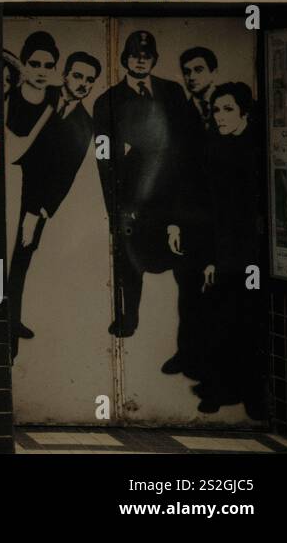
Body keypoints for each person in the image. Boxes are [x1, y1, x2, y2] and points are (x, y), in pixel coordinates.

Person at [93, 30, 202, 351]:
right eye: (134, 54)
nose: (140, 59)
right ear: (124, 59)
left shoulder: (172, 92)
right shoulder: (107, 101)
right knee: (130, 261)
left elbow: (188, 144)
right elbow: (105, 160)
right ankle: (130, 319)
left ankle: (192, 335)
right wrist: (114, 208)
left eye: (147, 54)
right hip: (133, 197)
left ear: (154, 59)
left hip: (174, 193)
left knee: (187, 261)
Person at [5, 50, 101, 357]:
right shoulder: (40, 94)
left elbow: (66, 174)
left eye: (89, 79)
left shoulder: (85, 124)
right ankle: (1, 323)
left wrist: (41, 212)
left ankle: (10, 329)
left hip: (36, 201)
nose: (83, 83)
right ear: (65, 74)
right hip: (9, 183)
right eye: (77, 75)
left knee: (21, 258)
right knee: (0, 255)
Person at [192, 82, 266, 418]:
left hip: (254, 256)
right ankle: (218, 390)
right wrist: (210, 258)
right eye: (216, 110)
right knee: (220, 322)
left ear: (244, 112)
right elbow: (209, 210)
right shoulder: (214, 148)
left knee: (250, 323)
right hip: (224, 254)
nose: (219, 116)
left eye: (228, 110)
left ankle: (253, 395)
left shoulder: (257, 148)